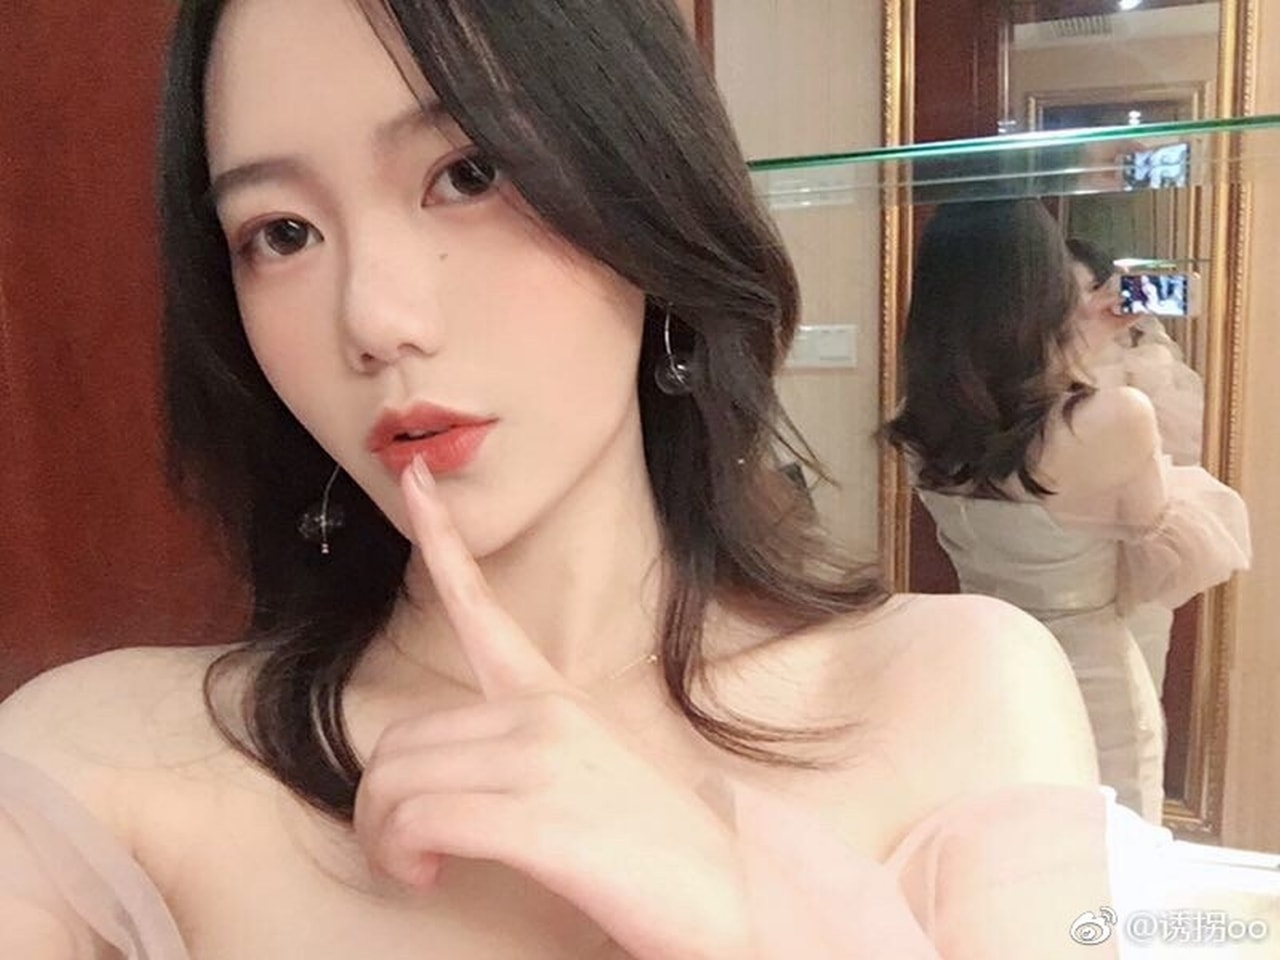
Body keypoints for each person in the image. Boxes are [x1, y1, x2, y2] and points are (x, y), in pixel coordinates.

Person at [0, 3, 1127, 958]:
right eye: (283, 233)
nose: (374, 320)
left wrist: (735, 910)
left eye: (467, 174)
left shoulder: (955, 692)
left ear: (643, 187)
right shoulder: (97, 767)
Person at [886, 200, 1250, 826]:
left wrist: (1077, 343)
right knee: (1107, 857)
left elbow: (1019, 420)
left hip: (990, 674)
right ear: (1041, 289)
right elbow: (1167, 570)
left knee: (1015, 847)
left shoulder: (919, 425)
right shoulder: (1117, 415)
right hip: (1089, 687)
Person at [1068, 238, 1207, 698]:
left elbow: (1188, 444)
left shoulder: (1148, 355)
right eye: (1071, 294)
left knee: (1140, 680)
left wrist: (1147, 362)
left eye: (1095, 289)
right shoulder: (1040, 370)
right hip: (1072, 561)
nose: (1088, 305)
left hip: (1139, 562)